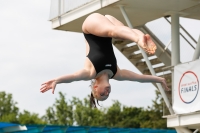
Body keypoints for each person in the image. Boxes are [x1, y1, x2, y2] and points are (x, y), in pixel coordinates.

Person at [40, 13, 169, 107]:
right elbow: (139, 78)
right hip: (107, 23)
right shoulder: (116, 73)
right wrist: (159, 79)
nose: (107, 93)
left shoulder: (91, 72)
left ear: (95, 87)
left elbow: (74, 76)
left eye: (102, 94)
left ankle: (138, 39)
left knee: (113, 32)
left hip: (91, 26)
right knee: (124, 33)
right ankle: (142, 37)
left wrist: (57, 80)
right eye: (107, 95)